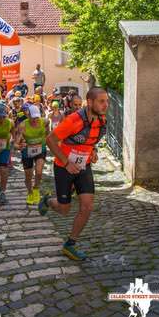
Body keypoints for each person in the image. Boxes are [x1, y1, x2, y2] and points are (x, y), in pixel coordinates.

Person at [39, 87, 108, 261]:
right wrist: (66, 162)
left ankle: (70, 244)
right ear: (90, 102)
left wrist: (92, 152)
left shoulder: (101, 120)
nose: (105, 105)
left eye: (107, 101)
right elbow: (50, 140)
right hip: (64, 167)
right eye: (101, 101)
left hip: (83, 167)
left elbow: (91, 140)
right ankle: (47, 201)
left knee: (87, 206)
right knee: (64, 209)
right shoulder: (73, 120)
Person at [15, 105, 49, 205]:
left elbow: (48, 134)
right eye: (33, 117)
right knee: (28, 177)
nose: (35, 120)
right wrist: (20, 145)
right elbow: (16, 144)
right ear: (28, 115)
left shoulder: (45, 122)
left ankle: (36, 189)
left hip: (40, 150)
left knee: (39, 171)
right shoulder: (23, 125)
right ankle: (30, 193)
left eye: (37, 117)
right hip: (27, 152)